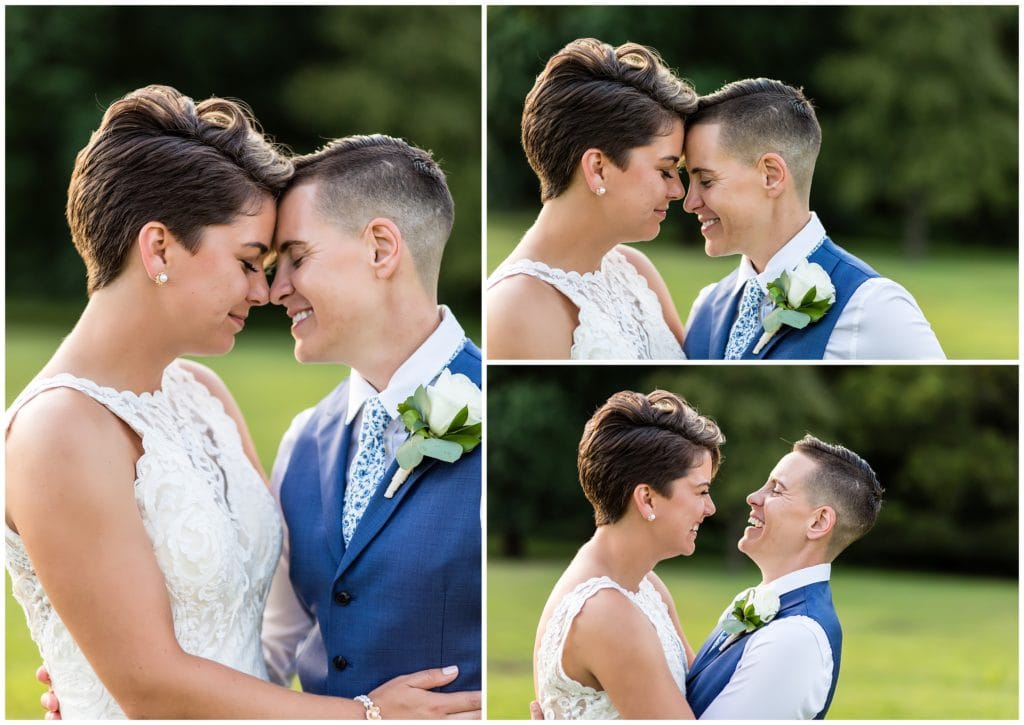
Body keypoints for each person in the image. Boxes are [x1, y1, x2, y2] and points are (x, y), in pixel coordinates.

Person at [9, 85, 476, 719]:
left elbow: (259, 630)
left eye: (283, 260)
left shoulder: (205, 397)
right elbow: (148, 684)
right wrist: (368, 716)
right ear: (159, 249)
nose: (265, 291)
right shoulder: (57, 431)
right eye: (250, 261)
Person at [258, 134, 483, 706]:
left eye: (296, 258)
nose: (273, 289)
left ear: (381, 248)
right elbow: (273, 644)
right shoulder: (303, 439)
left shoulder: (501, 407)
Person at [681, 78, 945, 359]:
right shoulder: (706, 306)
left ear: (771, 175)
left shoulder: (874, 307)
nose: (689, 203)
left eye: (706, 181)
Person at [487, 38, 696, 360]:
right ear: (598, 168)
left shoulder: (636, 268)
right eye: (665, 170)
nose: (678, 191)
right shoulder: (515, 308)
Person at [533, 390, 723, 718]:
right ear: (647, 499)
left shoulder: (645, 585)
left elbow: (703, 697)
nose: (710, 508)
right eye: (701, 492)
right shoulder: (605, 613)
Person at [686, 434, 884, 718]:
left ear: (818, 522)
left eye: (776, 489)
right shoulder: (759, 601)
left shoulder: (797, 638)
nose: (753, 497)